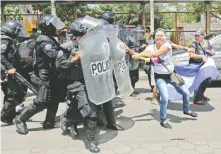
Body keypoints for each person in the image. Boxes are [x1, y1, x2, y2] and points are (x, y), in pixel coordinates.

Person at [125, 28, 198, 128]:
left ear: (165, 38)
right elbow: (139, 54)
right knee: (165, 98)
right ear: (154, 38)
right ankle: (163, 120)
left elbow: (155, 54)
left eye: (161, 35)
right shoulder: (150, 47)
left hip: (172, 74)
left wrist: (139, 54)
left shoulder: (167, 45)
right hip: (160, 77)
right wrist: (129, 51)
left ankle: (186, 110)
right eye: (157, 36)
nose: (159, 37)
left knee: (186, 92)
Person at [13, 14, 69, 134]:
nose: (58, 28)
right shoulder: (43, 39)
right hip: (44, 76)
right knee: (42, 101)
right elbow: (54, 54)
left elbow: (59, 49)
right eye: (55, 26)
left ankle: (49, 121)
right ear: (48, 27)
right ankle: (20, 119)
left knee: (54, 99)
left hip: (52, 74)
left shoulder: (49, 37)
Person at [1, 20, 29, 124]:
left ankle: (9, 115)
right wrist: (9, 67)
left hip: (10, 71)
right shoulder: (4, 40)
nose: (18, 33)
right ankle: (4, 116)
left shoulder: (8, 39)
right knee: (12, 94)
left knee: (10, 94)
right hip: (7, 72)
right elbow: (1, 56)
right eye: (16, 31)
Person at [188, 28, 216, 105]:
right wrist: (201, 56)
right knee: (200, 81)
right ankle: (197, 99)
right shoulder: (193, 44)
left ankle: (201, 94)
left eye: (198, 35)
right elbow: (191, 55)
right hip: (196, 66)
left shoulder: (206, 43)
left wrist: (207, 51)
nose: (196, 37)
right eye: (195, 35)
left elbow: (213, 52)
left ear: (203, 36)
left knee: (208, 80)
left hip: (205, 66)